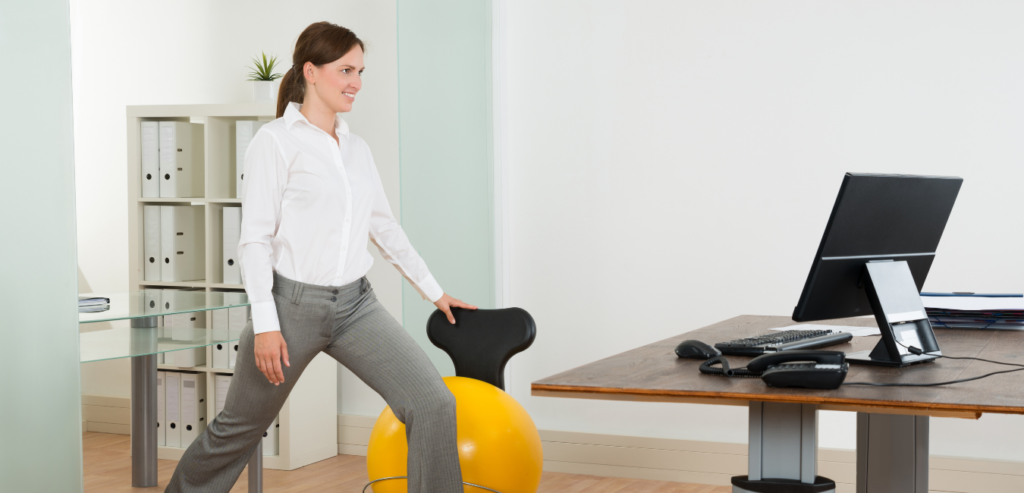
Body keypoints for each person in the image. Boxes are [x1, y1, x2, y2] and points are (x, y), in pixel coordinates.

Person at [165, 21, 475, 493]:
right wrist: (266, 324)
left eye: (361, 71)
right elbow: (254, 241)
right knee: (239, 428)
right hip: (290, 310)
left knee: (433, 403)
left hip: (357, 307)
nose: (356, 82)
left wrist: (435, 292)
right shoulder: (275, 142)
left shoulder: (356, 149)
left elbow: (384, 227)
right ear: (311, 71)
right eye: (345, 69)